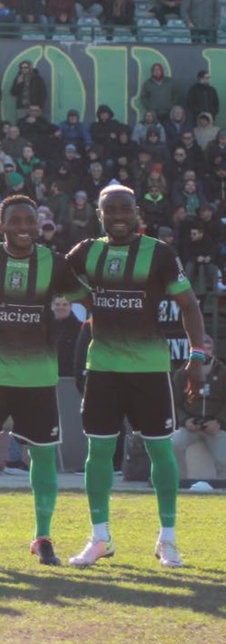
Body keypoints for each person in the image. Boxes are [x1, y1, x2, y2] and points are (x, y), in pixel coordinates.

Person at [63, 185, 205, 567]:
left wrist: (197, 355)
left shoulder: (158, 253)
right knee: (99, 452)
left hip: (149, 369)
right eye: (110, 210)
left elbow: (189, 306)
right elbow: (52, 273)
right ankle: (99, 538)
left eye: (125, 209)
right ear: (99, 213)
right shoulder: (87, 251)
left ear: (137, 212)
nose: (118, 216)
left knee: (161, 450)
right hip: (103, 368)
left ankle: (168, 539)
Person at [0, 196, 88, 567]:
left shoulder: (52, 262)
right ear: (1, 225)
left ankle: (43, 536)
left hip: (37, 376)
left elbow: (85, 297)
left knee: (42, 456)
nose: (23, 228)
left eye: (29, 221)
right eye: (15, 221)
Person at [172, 337, 226, 480]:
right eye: (202, 349)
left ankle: (221, 491)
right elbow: (175, 403)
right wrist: (185, 421)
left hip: (215, 426)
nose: (206, 353)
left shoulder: (222, 372)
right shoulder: (182, 373)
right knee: (175, 444)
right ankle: (180, 483)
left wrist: (219, 422)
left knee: (224, 458)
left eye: (209, 349)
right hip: (190, 425)